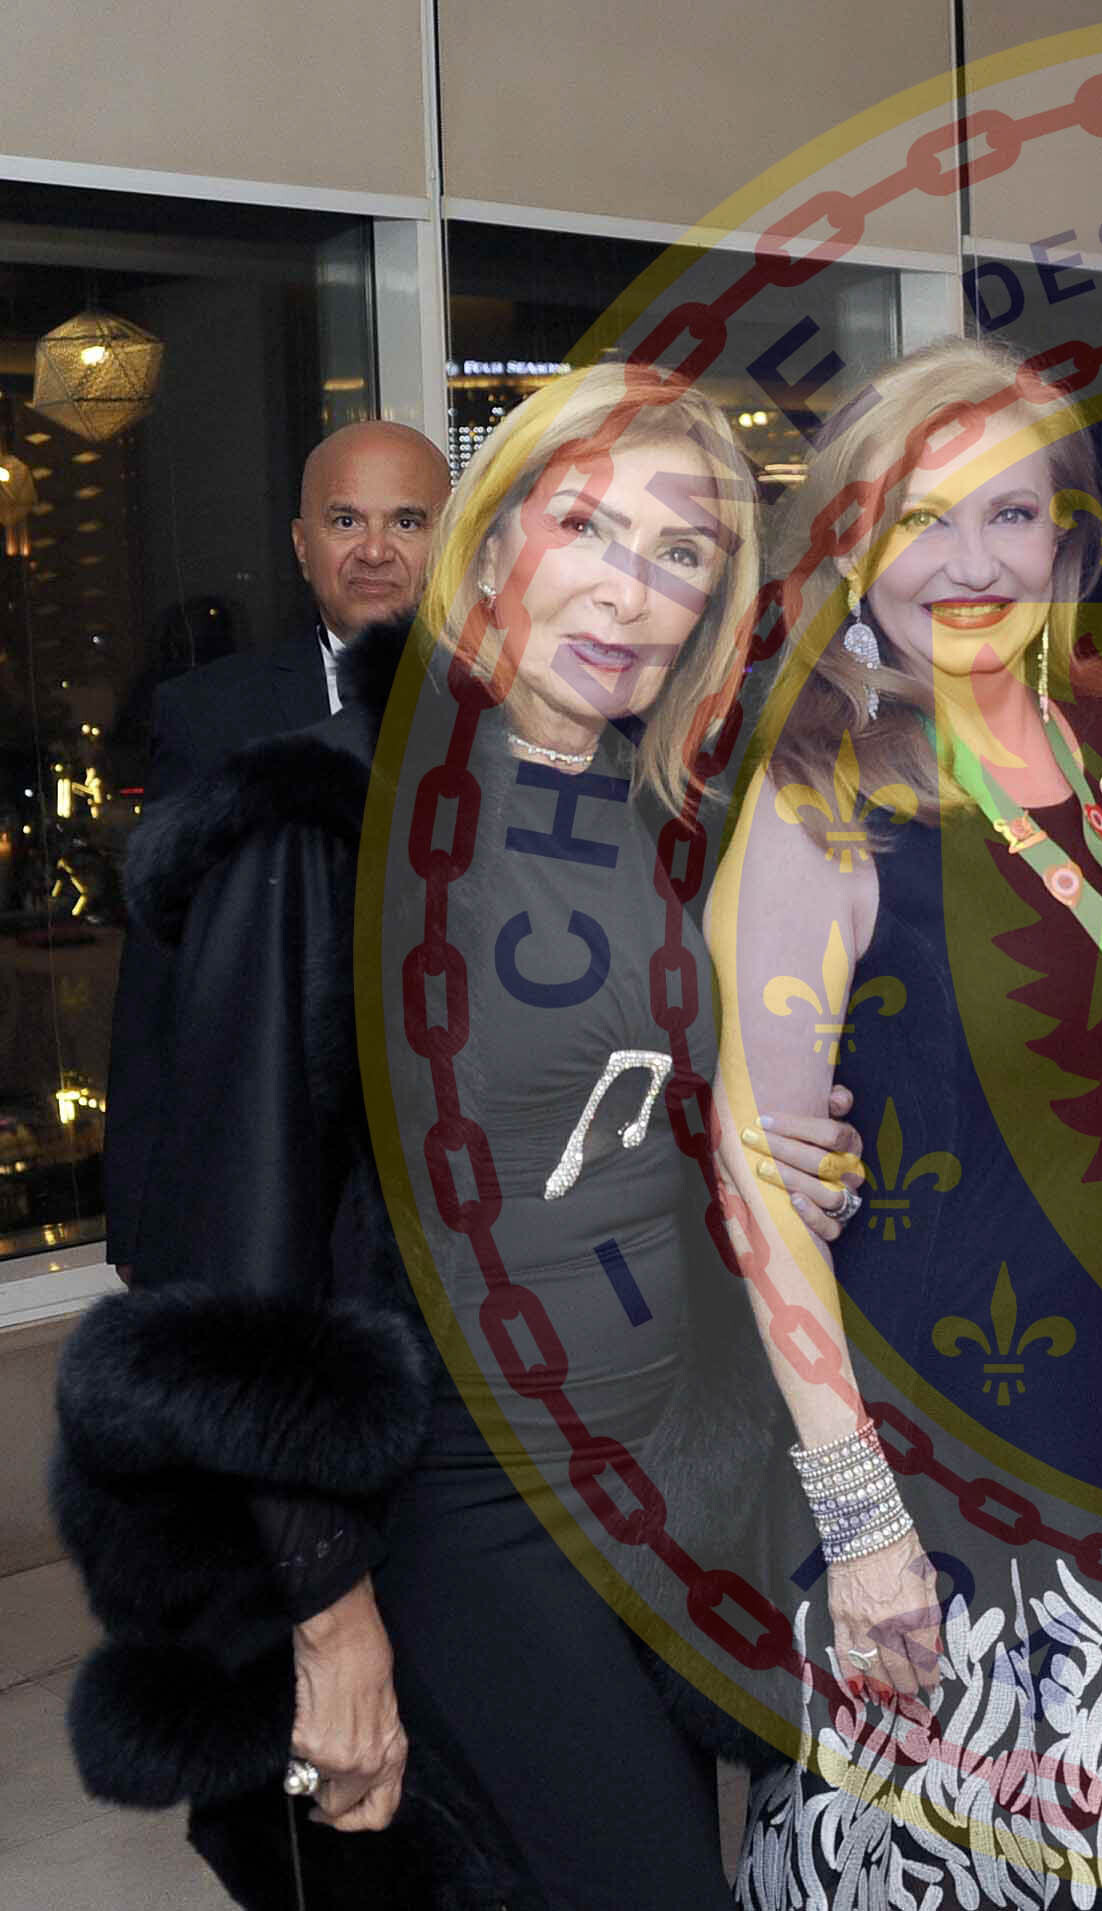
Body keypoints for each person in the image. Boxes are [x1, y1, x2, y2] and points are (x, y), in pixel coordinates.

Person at [52, 366, 863, 1907]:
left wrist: (765, 1156)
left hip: (667, 1483)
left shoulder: (673, 822)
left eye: (681, 550)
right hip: (459, 1490)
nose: (629, 587)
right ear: (493, 547)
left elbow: (632, 1119)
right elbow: (240, 1276)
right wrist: (331, 1616)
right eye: (589, 528)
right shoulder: (324, 820)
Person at [708, 336, 1102, 1909]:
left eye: (1011, 514)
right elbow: (763, 1190)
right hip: (942, 1449)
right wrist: (861, 1516)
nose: (970, 564)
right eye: (920, 518)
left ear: (1068, 537)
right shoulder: (818, 796)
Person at [104, 420, 451, 1276]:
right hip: (270, 1184)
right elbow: (158, 980)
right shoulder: (210, 716)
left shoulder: (516, 710)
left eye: (407, 521)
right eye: (345, 520)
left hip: (461, 1195)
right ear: (302, 546)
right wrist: (142, 1218)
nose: (375, 551)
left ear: (453, 541)